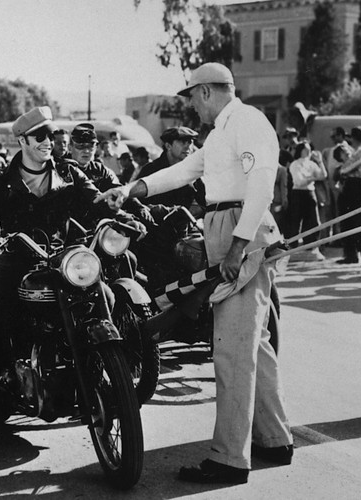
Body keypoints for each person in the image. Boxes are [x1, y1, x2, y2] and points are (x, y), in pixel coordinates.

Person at [96, 62, 293, 484]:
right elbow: (184, 171)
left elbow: (261, 186)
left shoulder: (247, 121)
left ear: (205, 92)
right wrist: (130, 189)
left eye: (192, 98)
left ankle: (229, 460)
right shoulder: (222, 129)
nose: (192, 108)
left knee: (232, 348)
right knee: (254, 343)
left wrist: (238, 246)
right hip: (227, 225)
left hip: (241, 227)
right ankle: (274, 439)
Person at [0, 107, 142, 448]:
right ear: (22, 141)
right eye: (39, 137)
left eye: (51, 136)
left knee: (107, 298)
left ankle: (102, 378)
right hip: (16, 257)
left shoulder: (68, 172)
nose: (47, 143)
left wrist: (121, 211)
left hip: (62, 256)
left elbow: (95, 200)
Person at [336, 127, 361, 266]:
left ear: (354, 138)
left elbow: (344, 168)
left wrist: (343, 171)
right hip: (355, 186)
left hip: (357, 186)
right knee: (349, 222)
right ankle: (351, 255)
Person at [135, 126, 199, 210]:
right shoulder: (151, 170)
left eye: (190, 142)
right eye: (183, 142)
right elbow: (137, 204)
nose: (188, 147)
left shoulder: (194, 172)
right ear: (168, 146)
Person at [287, 141, 327, 260]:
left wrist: (320, 161)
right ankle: (292, 248)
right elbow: (299, 181)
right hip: (298, 193)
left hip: (310, 193)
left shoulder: (311, 164)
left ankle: (311, 247)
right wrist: (313, 178)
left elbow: (323, 175)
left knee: (313, 221)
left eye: (310, 149)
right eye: (306, 149)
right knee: (295, 221)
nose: (309, 152)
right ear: (300, 151)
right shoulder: (295, 164)